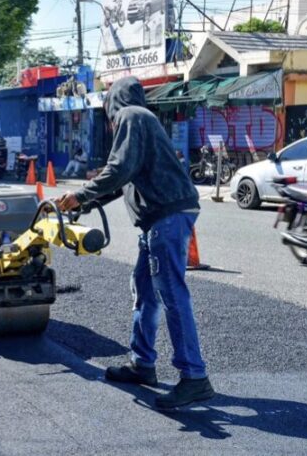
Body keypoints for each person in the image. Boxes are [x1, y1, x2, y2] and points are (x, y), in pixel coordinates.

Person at [55, 76, 213, 411]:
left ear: (113, 101)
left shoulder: (130, 117)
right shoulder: (143, 118)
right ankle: (143, 364)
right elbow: (124, 179)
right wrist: (81, 203)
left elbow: (118, 169)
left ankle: (194, 377)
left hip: (166, 217)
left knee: (172, 294)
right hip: (161, 217)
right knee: (144, 289)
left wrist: (80, 193)